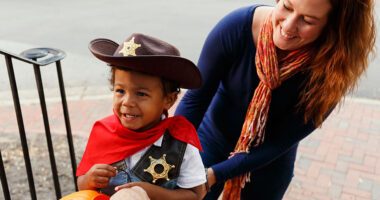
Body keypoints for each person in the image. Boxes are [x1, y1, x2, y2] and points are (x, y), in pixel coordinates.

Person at [175, 0, 376, 199]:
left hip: (269, 161)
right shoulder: (237, 26)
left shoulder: (333, 71)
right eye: (287, 7)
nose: (288, 26)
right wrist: (172, 152)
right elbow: (195, 99)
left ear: (333, 27)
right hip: (212, 140)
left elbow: (279, 143)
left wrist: (213, 175)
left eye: (307, 20)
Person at [75, 33, 207, 200]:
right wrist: (89, 180)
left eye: (141, 94)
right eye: (120, 91)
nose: (127, 102)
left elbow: (197, 194)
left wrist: (149, 192)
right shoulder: (103, 133)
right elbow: (81, 187)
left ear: (169, 99)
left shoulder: (180, 142)